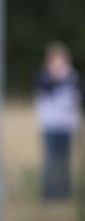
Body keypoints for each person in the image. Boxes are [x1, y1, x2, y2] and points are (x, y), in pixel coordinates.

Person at [35, 42, 82, 200]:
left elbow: (75, 98)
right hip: (50, 125)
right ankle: (49, 193)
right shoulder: (45, 76)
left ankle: (65, 193)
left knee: (64, 160)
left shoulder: (72, 76)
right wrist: (60, 78)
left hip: (67, 125)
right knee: (51, 160)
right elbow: (47, 89)